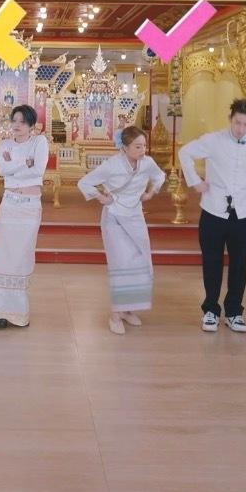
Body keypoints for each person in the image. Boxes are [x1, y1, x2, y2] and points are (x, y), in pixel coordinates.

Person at [179, 98, 246, 334]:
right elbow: (185, 153)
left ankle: (234, 312)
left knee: (239, 263)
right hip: (213, 210)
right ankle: (211, 310)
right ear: (230, 119)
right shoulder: (213, 140)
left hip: (243, 213)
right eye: (237, 123)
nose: (241, 129)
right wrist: (195, 181)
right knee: (211, 261)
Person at [79, 126, 166, 335]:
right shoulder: (112, 165)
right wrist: (102, 197)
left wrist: (150, 192)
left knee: (139, 263)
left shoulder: (147, 163)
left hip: (136, 217)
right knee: (121, 264)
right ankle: (115, 315)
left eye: (144, 146)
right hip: (114, 218)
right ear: (124, 147)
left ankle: (128, 309)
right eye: (137, 146)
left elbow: (160, 176)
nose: (142, 150)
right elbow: (85, 183)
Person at [0, 105, 49, 328]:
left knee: (21, 256)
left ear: (31, 125)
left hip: (29, 205)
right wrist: (24, 163)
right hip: (9, 202)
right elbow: (2, 170)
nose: (17, 125)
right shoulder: (4, 145)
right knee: (2, 255)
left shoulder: (39, 142)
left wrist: (14, 164)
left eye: (23, 121)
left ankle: (17, 312)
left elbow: (38, 170)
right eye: (15, 121)